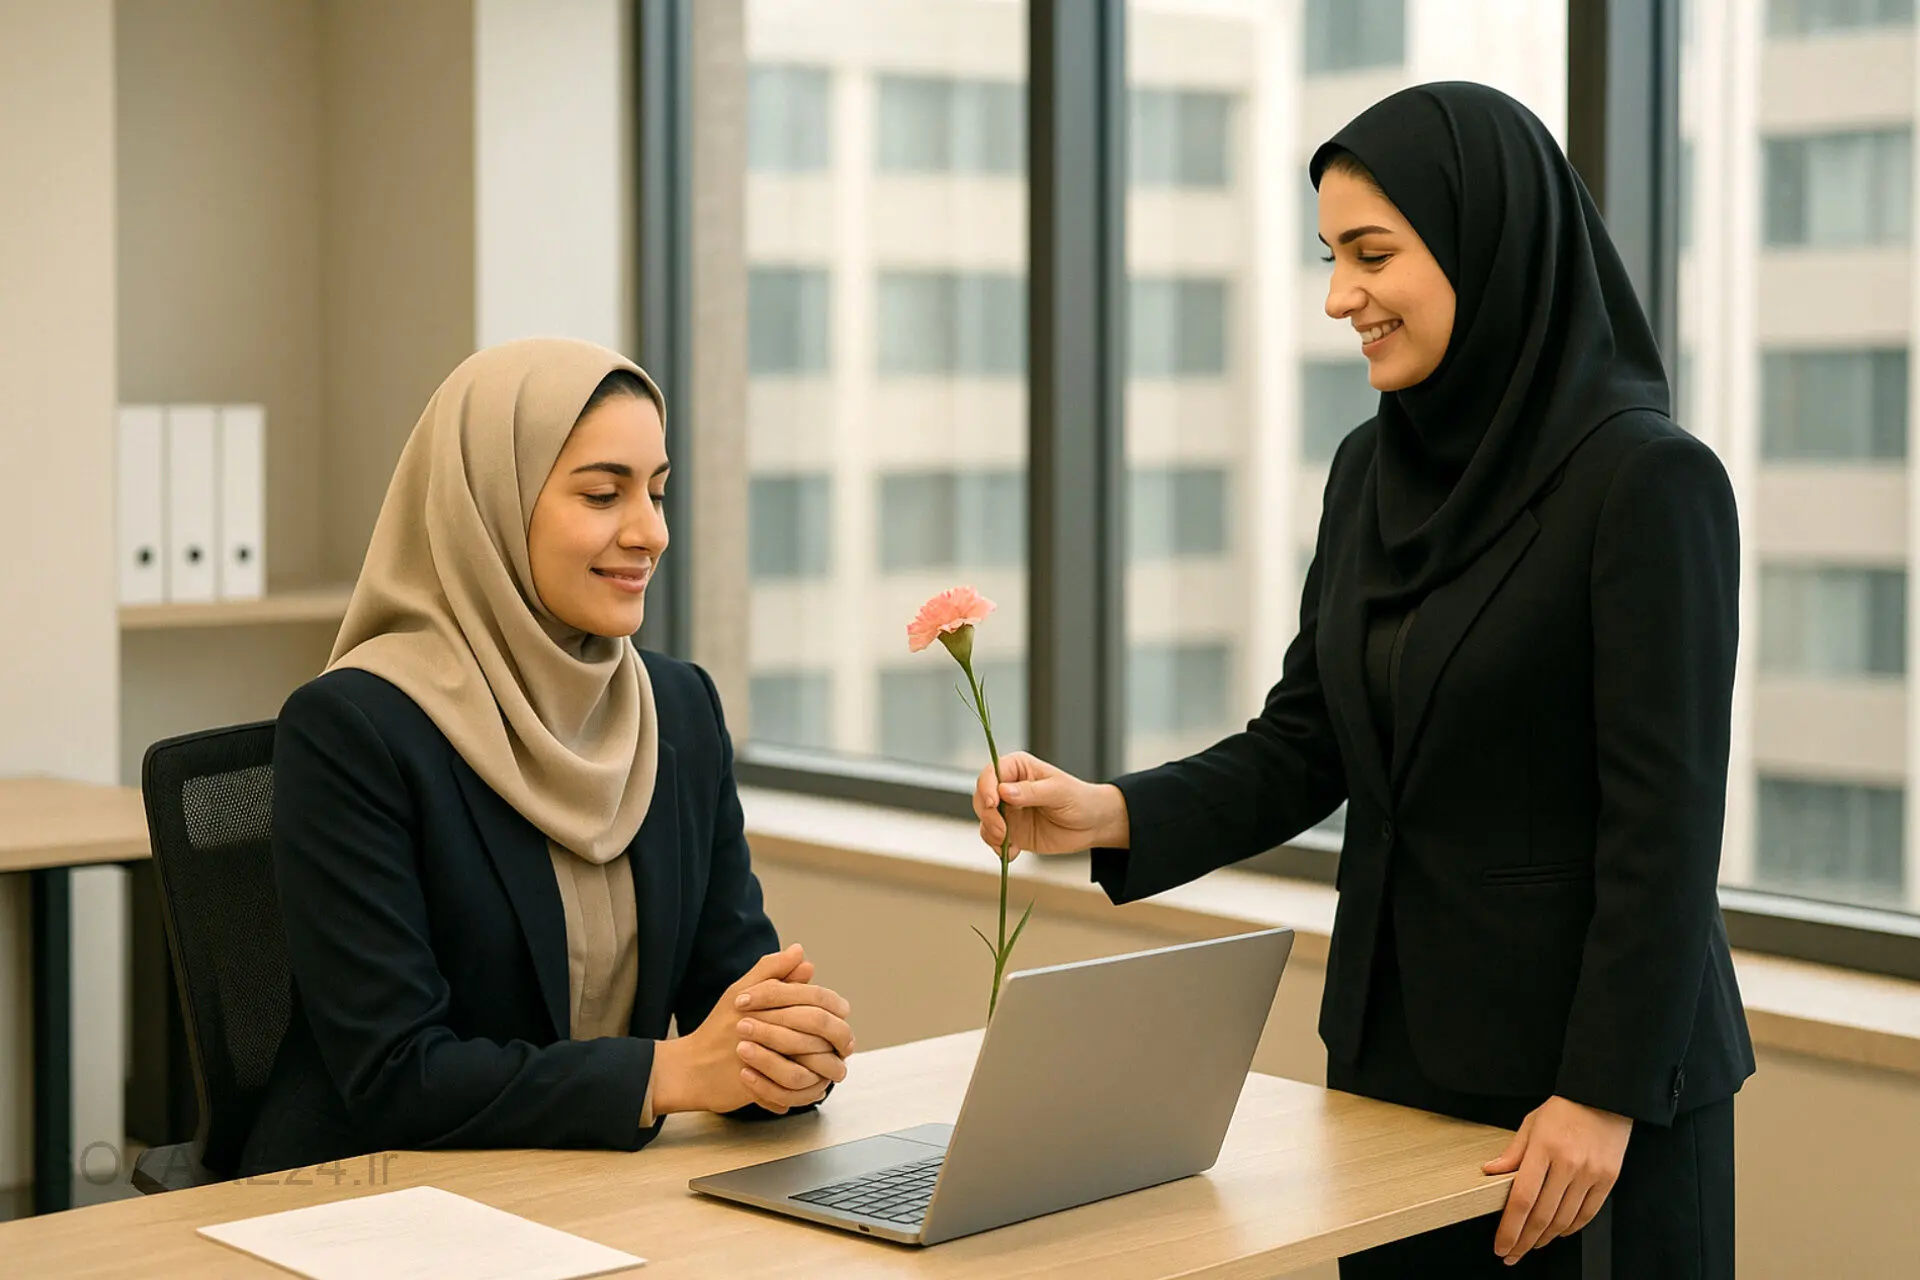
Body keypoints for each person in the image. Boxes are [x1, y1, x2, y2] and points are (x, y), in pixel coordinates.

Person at [972, 84, 1751, 1278]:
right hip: (1393, 1073)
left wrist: (1601, 1094)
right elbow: (1308, 741)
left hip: (1586, 1104)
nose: (1341, 296)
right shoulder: (1369, 468)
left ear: (1483, 241)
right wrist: (1108, 810)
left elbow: (1668, 820)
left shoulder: (1648, 482)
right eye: (1331, 256)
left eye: (1373, 254)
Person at [240, 338, 854, 1177]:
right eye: (604, 494)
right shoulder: (355, 728)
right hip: (377, 1201)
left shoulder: (679, 712)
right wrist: (668, 1071)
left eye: (658, 492)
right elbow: (395, 1076)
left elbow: (730, 1002)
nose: (650, 532)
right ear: (490, 503)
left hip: (593, 1188)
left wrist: (784, 1050)